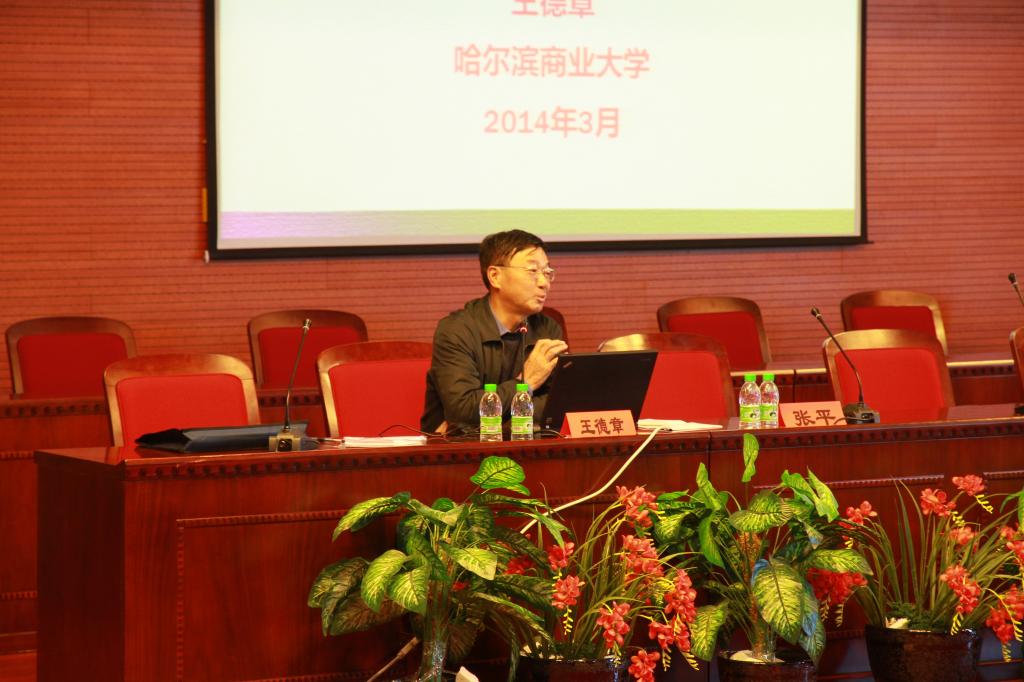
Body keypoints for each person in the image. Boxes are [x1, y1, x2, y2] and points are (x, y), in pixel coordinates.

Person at [421, 230, 568, 435]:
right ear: (495, 276)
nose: (544, 283)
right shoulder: (456, 331)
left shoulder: (547, 329)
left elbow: (558, 405)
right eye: (532, 270)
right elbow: (462, 410)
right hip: (457, 451)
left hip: (526, 444)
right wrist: (525, 383)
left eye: (547, 272)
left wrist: (491, 422)